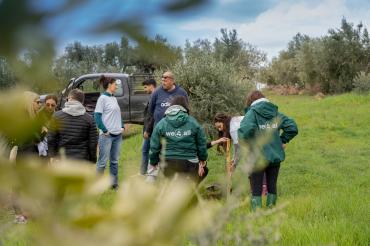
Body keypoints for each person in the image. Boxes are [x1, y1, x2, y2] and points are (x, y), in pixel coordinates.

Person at [238, 90, 298, 211]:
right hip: (275, 156)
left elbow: (244, 132)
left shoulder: (252, 113)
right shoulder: (276, 113)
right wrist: (282, 141)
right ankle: (271, 209)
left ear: (250, 102)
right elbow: (292, 127)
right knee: (272, 184)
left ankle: (256, 213)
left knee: (256, 186)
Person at [149, 96, 208, 183]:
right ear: (186, 107)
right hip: (190, 162)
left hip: (167, 162)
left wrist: (153, 162)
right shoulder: (193, 122)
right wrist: (202, 159)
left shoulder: (162, 123)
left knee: (169, 184)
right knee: (200, 173)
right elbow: (202, 143)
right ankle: (190, 192)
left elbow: (154, 146)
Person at [47, 89, 97, 163]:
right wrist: (93, 160)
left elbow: (51, 139)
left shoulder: (56, 116)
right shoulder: (89, 119)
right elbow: (93, 143)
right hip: (82, 160)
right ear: (82, 101)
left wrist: (52, 155)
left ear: (69, 99)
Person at [95, 76, 124, 190]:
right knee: (102, 162)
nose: (116, 86)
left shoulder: (114, 98)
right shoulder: (102, 98)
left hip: (118, 135)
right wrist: (104, 130)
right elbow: (97, 116)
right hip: (107, 136)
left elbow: (118, 114)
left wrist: (121, 126)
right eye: (114, 84)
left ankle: (114, 184)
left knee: (114, 161)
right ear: (109, 85)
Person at [140, 78, 157, 175]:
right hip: (149, 129)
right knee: (145, 150)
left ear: (151, 85)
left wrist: (147, 130)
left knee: (147, 151)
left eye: (145, 87)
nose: (144, 89)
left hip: (151, 130)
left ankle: (146, 173)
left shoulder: (154, 97)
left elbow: (153, 116)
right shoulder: (152, 96)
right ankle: (145, 172)